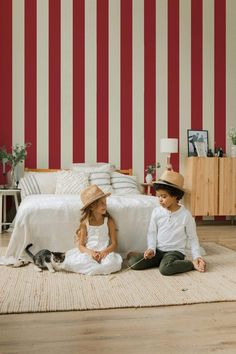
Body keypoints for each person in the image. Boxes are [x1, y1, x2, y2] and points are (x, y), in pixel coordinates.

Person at [127, 170, 206, 276]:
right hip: (158, 251)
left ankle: (190, 264)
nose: (160, 200)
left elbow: (192, 238)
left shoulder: (185, 215)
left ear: (175, 196)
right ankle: (161, 261)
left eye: (164, 196)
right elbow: (152, 233)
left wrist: (197, 257)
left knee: (165, 269)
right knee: (133, 263)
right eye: (159, 196)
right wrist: (151, 248)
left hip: (175, 252)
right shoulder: (156, 212)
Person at [63, 185, 122, 275]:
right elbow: (81, 246)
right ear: (91, 207)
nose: (105, 205)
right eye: (101, 203)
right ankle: (97, 268)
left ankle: (98, 268)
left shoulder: (108, 221)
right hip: (89, 253)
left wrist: (104, 252)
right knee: (80, 261)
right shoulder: (85, 224)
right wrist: (91, 253)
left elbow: (114, 243)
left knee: (112, 263)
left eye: (105, 202)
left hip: (105, 253)